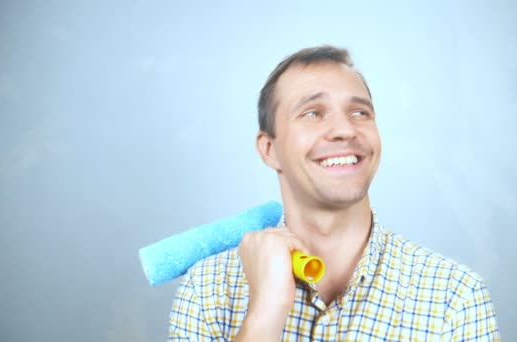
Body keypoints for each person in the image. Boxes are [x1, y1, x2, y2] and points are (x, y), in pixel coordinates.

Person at [168, 45, 500, 341]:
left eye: (360, 113)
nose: (345, 129)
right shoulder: (208, 290)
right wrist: (264, 315)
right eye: (312, 113)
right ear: (269, 149)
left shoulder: (453, 297)